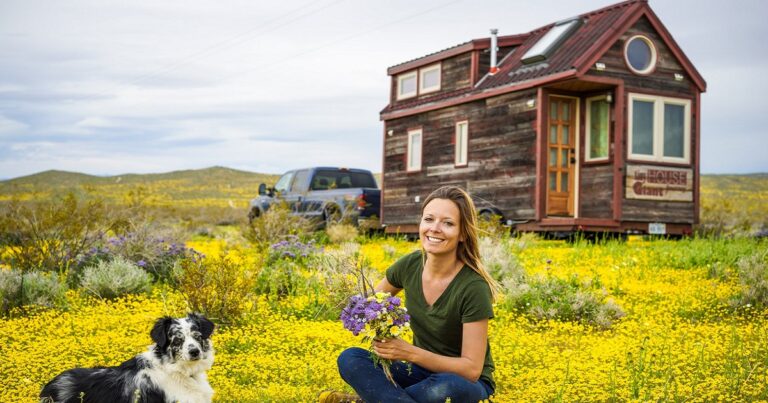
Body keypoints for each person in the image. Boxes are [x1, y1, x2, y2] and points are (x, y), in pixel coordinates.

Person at [333, 185, 499, 403]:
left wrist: (409, 352)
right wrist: (375, 320)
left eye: (448, 223)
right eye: (429, 219)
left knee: (444, 389)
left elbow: (471, 369)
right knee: (351, 359)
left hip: (462, 381)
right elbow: (367, 305)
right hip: (418, 372)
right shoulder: (410, 265)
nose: (435, 228)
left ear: (462, 234)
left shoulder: (473, 287)